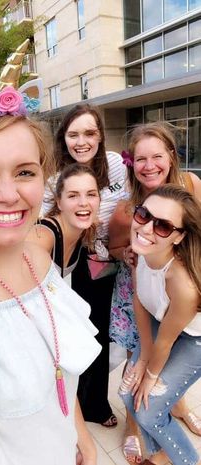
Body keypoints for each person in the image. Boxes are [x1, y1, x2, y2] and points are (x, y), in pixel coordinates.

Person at [0, 64, 101, 465]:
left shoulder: (40, 258)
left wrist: (80, 436)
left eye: (25, 171)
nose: (8, 194)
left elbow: (61, 365)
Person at [109, 122, 201, 463]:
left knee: (164, 370)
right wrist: (130, 253)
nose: (149, 165)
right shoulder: (130, 208)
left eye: (157, 156)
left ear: (171, 156)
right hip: (144, 288)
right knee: (137, 368)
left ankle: (171, 411)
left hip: (179, 296)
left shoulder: (191, 185)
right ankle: (138, 429)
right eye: (141, 158)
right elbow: (116, 245)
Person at [43, 103, 128, 426]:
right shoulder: (54, 180)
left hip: (107, 260)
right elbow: (46, 225)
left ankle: (96, 404)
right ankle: (70, 405)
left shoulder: (117, 167)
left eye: (90, 133)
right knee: (71, 333)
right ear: (63, 138)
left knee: (102, 335)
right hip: (71, 263)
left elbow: (130, 205)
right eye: (73, 134)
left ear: (100, 136)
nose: (82, 141)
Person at [27, 163, 100, 279]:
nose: (83, 203)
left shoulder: (83, 232)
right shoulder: (43, 235)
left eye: (91, 194)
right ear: (59, 202)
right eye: (73, 196)